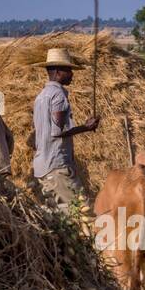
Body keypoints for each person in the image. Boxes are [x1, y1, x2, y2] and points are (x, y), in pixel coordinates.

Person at [32, 48, 99, 210]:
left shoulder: (41, 96)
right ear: (56, 71)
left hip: (42, 167)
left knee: (58, 217)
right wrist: (86, 127)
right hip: (57, 167)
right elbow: (58, 131)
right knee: (82, 212)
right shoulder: (59, 96)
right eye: (68, 70)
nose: (71, 74)